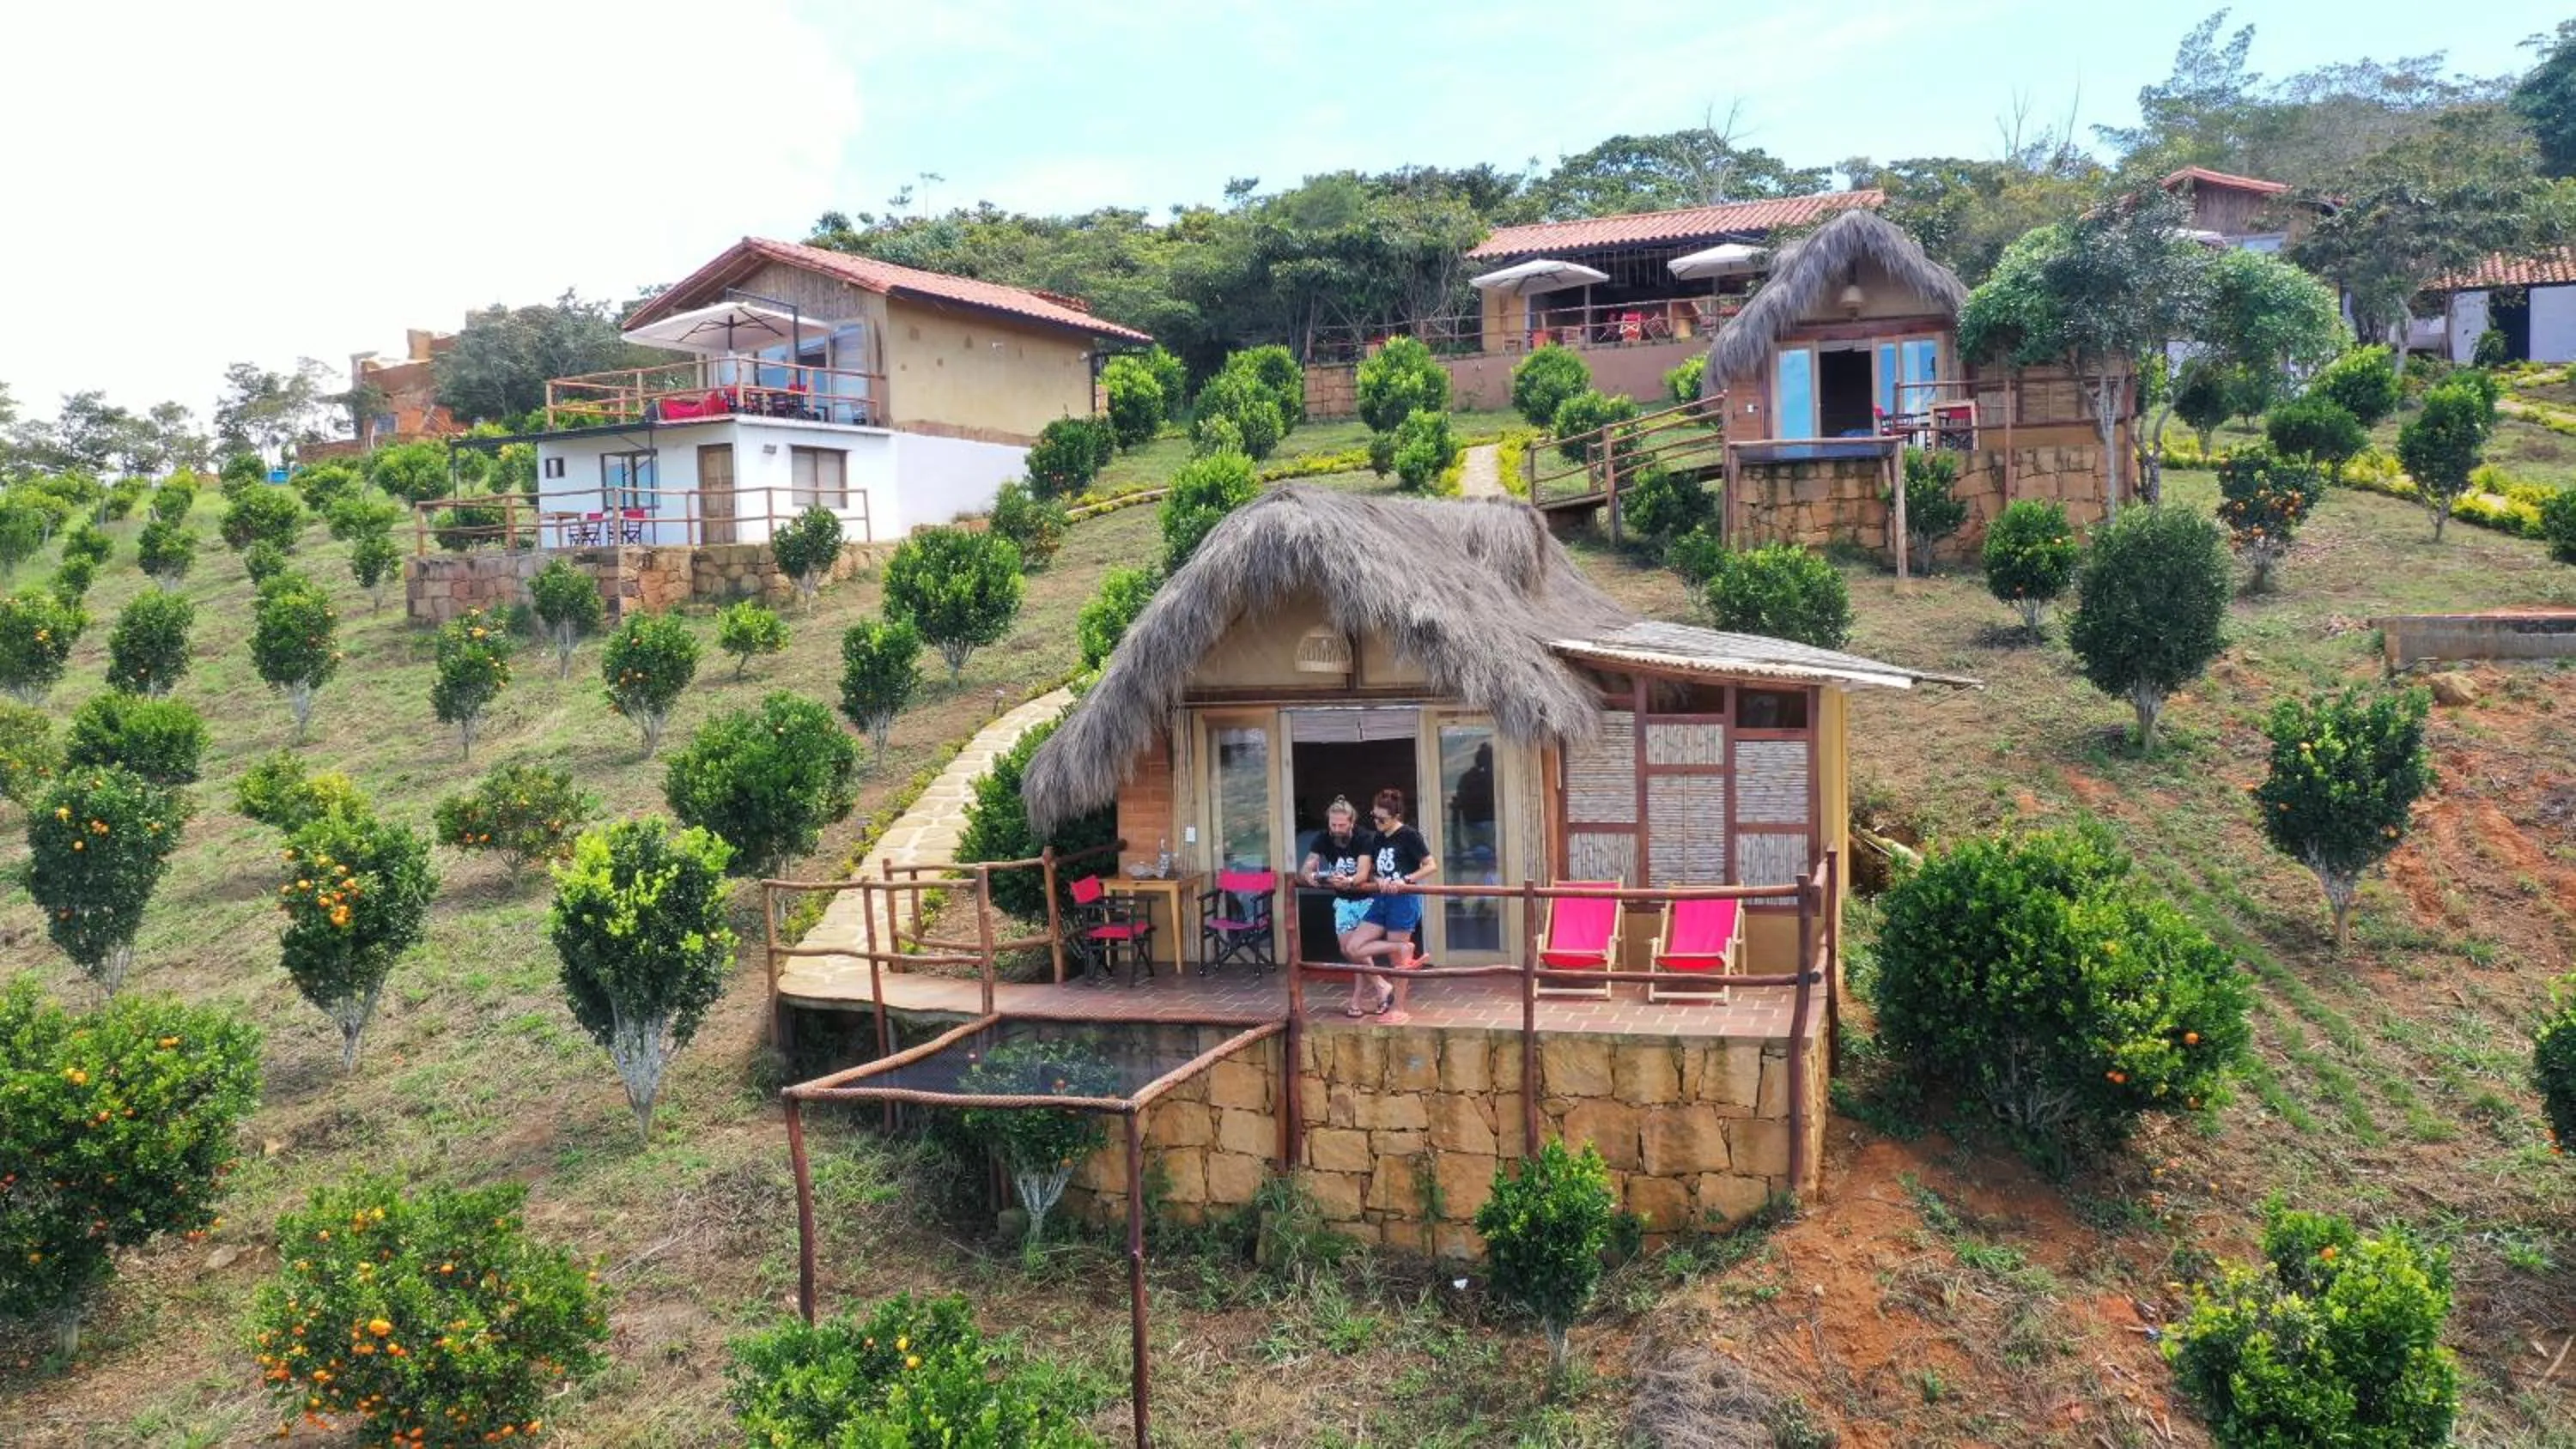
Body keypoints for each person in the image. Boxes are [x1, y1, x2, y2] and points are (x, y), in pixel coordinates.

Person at [1352, 787, 1435, 1022]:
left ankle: (1398, 1007)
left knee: (1396, 962)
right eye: (1374, 816)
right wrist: (1378, 879)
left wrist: (1405, 880)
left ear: (1396, 816)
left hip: (1403, 899)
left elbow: (1431, 865)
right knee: (1354, 947)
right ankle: (1401, 947)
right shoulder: (1378, 837)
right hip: (1381, 898)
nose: (1377, 822)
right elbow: (1374, 869)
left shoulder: (1409, 835)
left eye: (1382, 819)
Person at [1297, 797, 1380, 1017]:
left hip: (1365, 900)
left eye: (1341, 825)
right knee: (1348, 950)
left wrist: (1350, 881)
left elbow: (1363, 873)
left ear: (1352, 822)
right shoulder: (1323, 837)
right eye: (1333, 824)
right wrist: (1310, 875)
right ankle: (1382, 986)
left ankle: (1357, 1000)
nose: (1336, 829)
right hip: (1343, 901)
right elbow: (1307, 865)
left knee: (1356, 949)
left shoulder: (1364, 838)